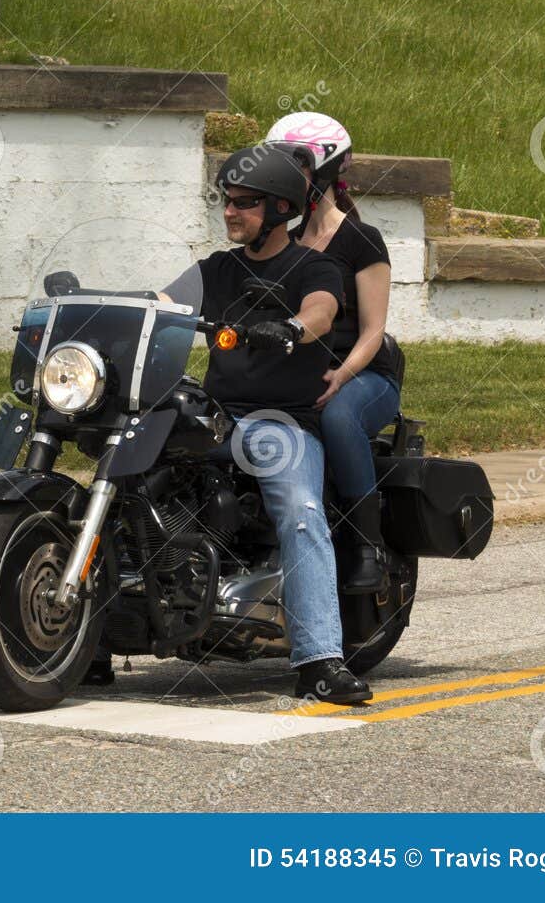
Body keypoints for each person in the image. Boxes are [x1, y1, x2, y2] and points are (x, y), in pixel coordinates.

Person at [172, 145, 371, 704]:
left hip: (278, 421)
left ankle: (320, 660)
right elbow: (164, 303)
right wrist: (107, 307)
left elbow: (321, 312)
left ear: (282, 208)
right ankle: (92, 636)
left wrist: (290, 328)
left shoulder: (315, 266)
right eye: (226, 201)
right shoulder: (217, 269)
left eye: (245, 203)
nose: (230, 211)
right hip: (214, 416)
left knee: (301, 513)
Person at [264, 113, 400, 595]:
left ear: (322, 171)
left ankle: (369, 545)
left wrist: (341, 375)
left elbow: (373, 331)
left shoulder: (362, 240)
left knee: (340, 418)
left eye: (291, 165)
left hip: (365, 376)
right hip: (304, 373)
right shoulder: (288, 242)